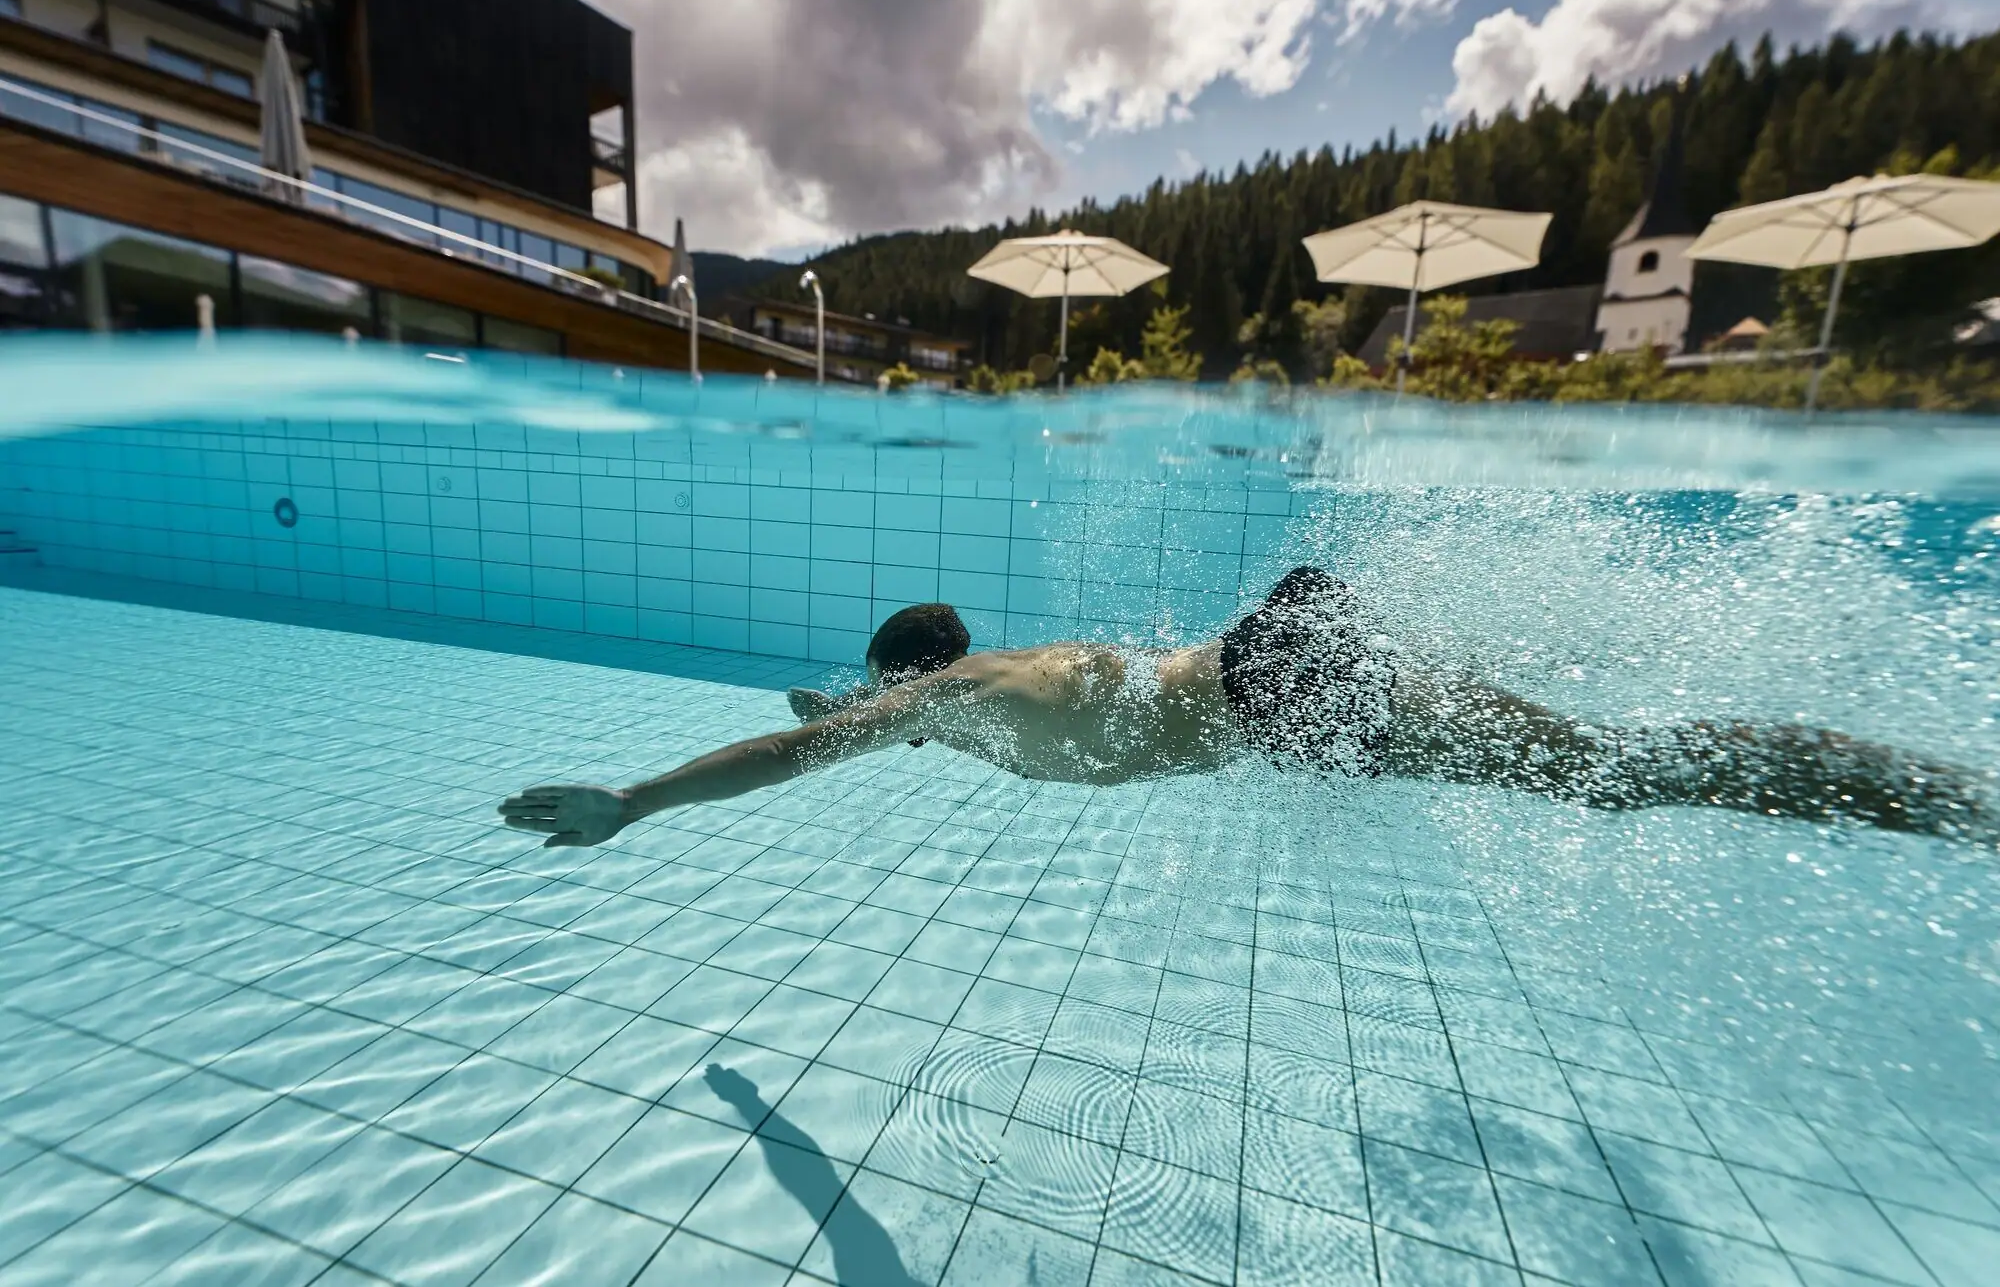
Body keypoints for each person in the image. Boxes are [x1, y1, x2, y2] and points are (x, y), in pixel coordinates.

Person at [500, 569, 1989, 848]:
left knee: (1609, 777)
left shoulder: (940, 699)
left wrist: (633, 801)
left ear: (902, 681)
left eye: (873, 700)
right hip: (1273, 655)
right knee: (1599, 761)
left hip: (1278, 689)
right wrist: (841, 698)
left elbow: (795, 751)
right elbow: (834, 715)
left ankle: (1922, 791)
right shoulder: (982, 683)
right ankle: (1907, 778)